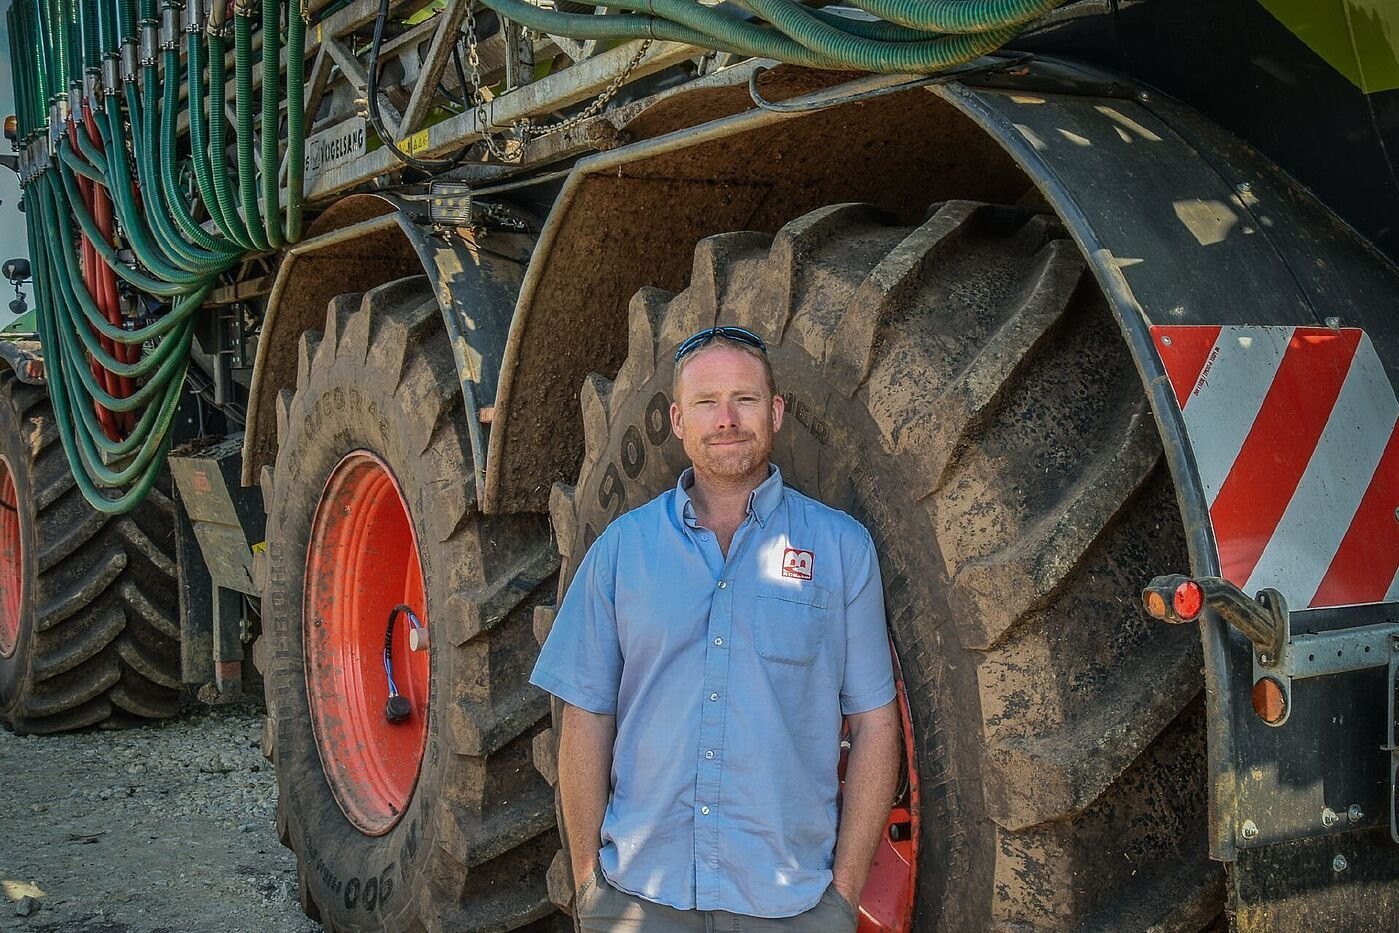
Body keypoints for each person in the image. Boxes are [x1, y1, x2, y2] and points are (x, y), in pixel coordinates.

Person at [531, 325, 902, 931]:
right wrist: (587, 884)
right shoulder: (621, 550)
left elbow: (876, 725)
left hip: (789, 906)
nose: (726, 419)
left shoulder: (841, 550)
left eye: (745, 399)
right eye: (706, 403)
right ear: (678, 421)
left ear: (776, 412)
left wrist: (842, 896)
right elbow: (586, 717)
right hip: (638, 901)